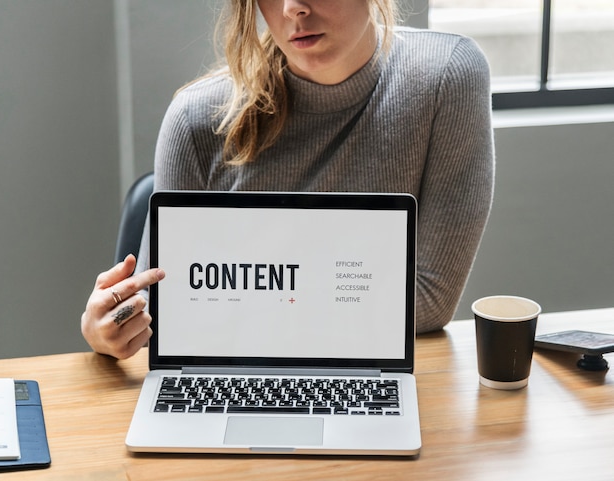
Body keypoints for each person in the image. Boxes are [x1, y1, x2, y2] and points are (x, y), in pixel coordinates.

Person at [82, 0, 494, 359]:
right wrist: (107, 327)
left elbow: (427, 300)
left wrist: (236, 299)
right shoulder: (196, 119)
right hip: (237, 377)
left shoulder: (445, 79)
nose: (292, 8)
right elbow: (167, 312)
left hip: (369, 375)